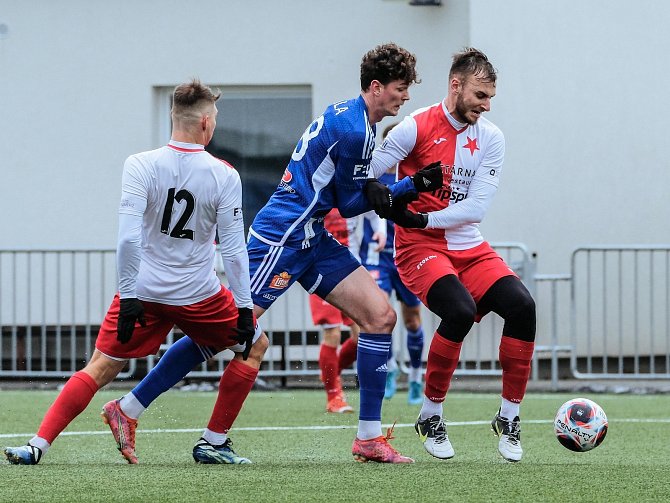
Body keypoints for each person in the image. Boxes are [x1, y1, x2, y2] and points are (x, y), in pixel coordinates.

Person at [104, 42, 442, 465]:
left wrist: (390, 189)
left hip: (312, 237)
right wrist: (408, 188)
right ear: (376, 87)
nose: (405, 96)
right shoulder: (356, 130)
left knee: (380, 317)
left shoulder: (355, 118)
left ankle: (369, 438)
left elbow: (342, 196)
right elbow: (353, 204)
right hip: (281, 239)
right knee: (225, 335)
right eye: (400, 87)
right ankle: (135, 410)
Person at [4, 79, 267, 465]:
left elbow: (128, 239)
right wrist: (244, 306)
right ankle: (213, 442)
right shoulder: (224, 174)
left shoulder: (140, 163)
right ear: (207, 124)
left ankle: (35, 446)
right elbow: (232, 249)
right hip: (198, 296)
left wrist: (128, 296)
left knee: (100, 366)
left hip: (142, 292)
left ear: (173, 118)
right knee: (254, 347)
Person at [370, 48, 536, 463]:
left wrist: (422, 217)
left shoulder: (492, 138)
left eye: (490, 96)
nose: (487, 104)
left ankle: (509, 417)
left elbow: (476, 208)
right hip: (419, 248)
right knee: (459, 312)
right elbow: (370, 172)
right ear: (455, 85)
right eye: (480, 94)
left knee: (523, 306)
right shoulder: (413, 128)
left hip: (466, 242)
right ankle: (430, 414)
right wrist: (388, 201)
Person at [352, 123, 425, 405]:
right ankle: (390, 372)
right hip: (376, 257)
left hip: (407, 257)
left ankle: (417, 378)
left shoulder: (414, 176)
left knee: (412, 319)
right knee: (382, 315)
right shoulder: (372, 173)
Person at [308, 208, 359, 414]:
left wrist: (381, 231)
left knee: (362, 335)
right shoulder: (318, 191)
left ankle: (331, 372)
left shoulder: (355, 190)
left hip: (351, 270)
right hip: (320, 269)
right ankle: (334, 396)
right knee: (333, 332)